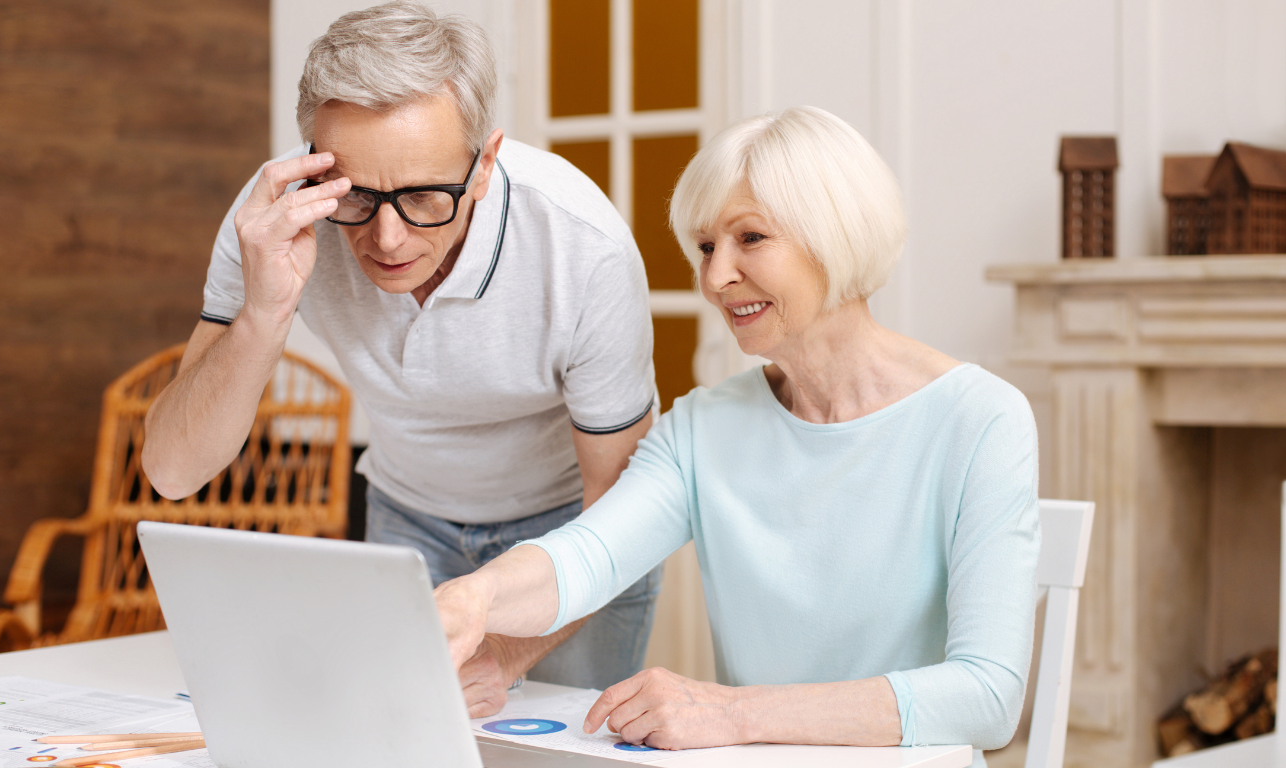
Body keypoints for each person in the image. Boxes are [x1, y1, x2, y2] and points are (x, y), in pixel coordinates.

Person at [435, 106, 1040, 767]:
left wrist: (729, 712)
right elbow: (587, 558)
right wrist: (477, 595)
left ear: (834, 234)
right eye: (705, 246)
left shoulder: (981, 419)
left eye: (750, 238)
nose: (715, 276)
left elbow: (988, 695)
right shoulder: (704, 427)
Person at [141, 1, 663, 717]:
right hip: (408, 517)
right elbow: (172, 472)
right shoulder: (276, 222)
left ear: (484, 165)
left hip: (569, 535)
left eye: (423, 195)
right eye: (355, 196)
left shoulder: (582, 249)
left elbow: (624, 514)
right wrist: (264, 313)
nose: (386, 238)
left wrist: (505, 653)